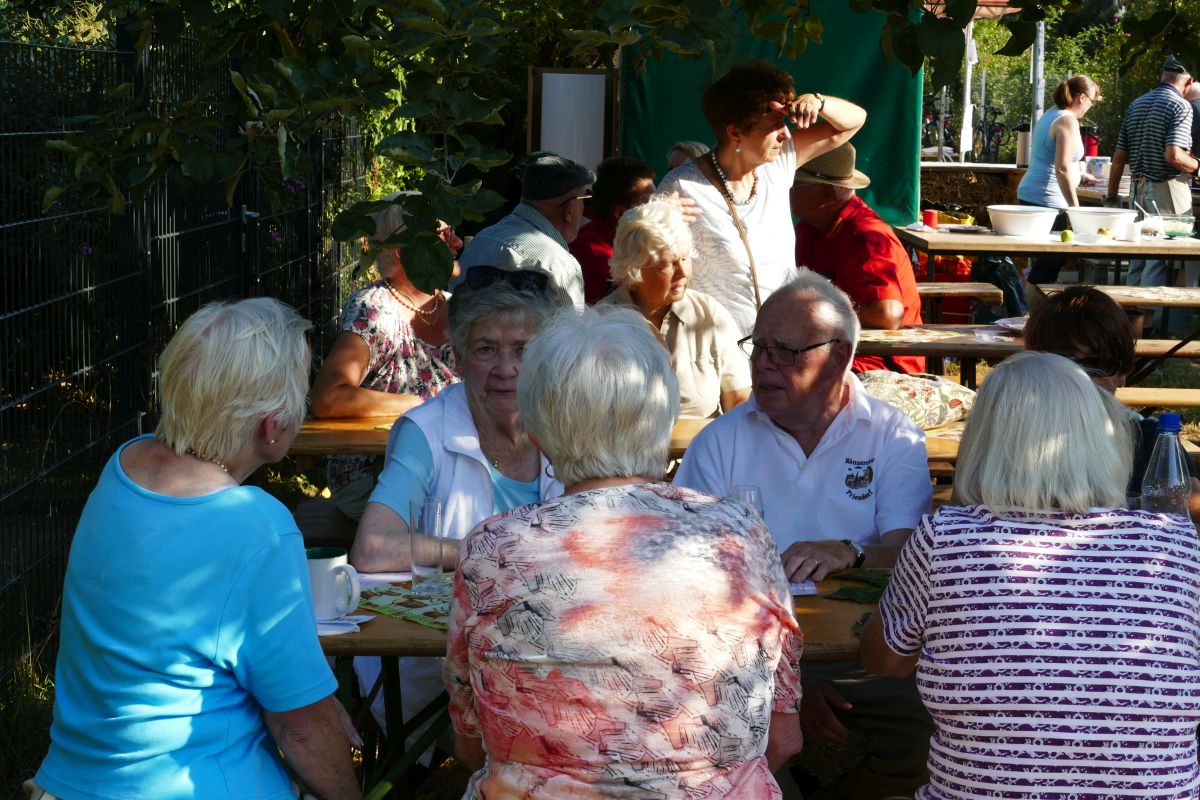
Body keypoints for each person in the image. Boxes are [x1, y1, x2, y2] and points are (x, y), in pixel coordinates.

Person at [444, 304, 804, 797]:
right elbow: (783, 735)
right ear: (665, 419)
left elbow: (470, 739)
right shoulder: (741, 534)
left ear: (540, 436)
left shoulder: (493, 548)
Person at [30, 299, 360, 800]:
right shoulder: (258, 525)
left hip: (69, 785)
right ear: (272, 425)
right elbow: (301, 728)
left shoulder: (124, 465)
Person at [862, 350, 1200, 798]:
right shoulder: (1174, 543)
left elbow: (882, 662)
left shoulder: (943, 538)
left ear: (981, 443)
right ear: (1103, 440)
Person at [674, 271, 933, 799]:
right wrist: (788, 682)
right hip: (746, 658)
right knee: (734, 746)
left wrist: (850, 551)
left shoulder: (891, 434)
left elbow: (910, 550)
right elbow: (687, 569)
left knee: (925, 737)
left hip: (864, 655)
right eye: (758, 347)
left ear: (839, 358)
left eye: (785, 351)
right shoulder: (720, 441)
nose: (763, 364)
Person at [350, 271, 565, 742]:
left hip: (546, 652)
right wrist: (485, 549)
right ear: (461, 358)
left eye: (522, 349)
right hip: (440, 671)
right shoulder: (425, 432)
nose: (507, 368)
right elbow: (372, 548)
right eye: (487, 349)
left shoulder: (562, 428)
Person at [658, 60, 866, 335]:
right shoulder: (682, 187)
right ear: (735, 132)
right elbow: (653, 269)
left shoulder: (778, 163)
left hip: (783, 343)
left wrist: (818, 102)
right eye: (775, 124)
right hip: (715, 348)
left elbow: (854, 121)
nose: (786, 133)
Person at [311, 197, 461, 519]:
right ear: (403, 250)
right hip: (378, 473)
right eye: (446, 236)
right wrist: (420, 406)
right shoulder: (376, 310)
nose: (458, 243)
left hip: (444, 468)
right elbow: (327, 397)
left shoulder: (460, 308)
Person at [1024, 284, 1200, 523]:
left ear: (1123, 372)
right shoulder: (1011, 439)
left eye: (1098, 364)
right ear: (1033, 368)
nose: (1079, 377)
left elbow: (1192, 518)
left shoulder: (1152, 443)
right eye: (1063, 362)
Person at [600, 196, 750, 417]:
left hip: (705, 439)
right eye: (668, 264)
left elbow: (739, 403)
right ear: (636, 268)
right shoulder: (602, 325)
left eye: (685, 259)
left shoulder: (709, 315)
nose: (683, 273)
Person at [791, 142, 925, 374]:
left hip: (882, 363)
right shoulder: (811, 227)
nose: (787, 190)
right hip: (840, 350)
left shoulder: (867, 235)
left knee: (786, 372)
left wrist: (813, 313)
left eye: (795, 184)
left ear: (827, 192)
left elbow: (887, 315)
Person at [1107, 55, 1198, 330]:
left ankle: (1126, 329)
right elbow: (1174, 155)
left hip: (1137, 188)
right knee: (1160, 260)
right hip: (1167, 188)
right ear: (1189, 82)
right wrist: (1197, 167)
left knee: (1138, 258)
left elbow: (1119, 157)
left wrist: (1111, 197)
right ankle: (1150, 330)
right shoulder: (1180, 106)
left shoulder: (1137, 103)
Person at [458, 154, 595, 306]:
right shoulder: (558, 262)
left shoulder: (480, 240)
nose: (584, 209)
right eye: (585, 199)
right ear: (570, 209)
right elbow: (573, 321)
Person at [1016, 75, 1103, 283]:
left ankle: (1030, 300)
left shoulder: (1051, 113)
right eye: (1092, 102)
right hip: (1048, 200)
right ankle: (1033, 303)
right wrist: (1075, 209)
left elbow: (1053, 158)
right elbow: (1062, 169)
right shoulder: (1067, 120)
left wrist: (1080, 175)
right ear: (1082, 98)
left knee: (1045, 263)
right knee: (1049, 264)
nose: (1090, 108)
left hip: (1034, 194)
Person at [569, 155, 656, 304]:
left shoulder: (633, 245)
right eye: (648, 203)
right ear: (620, 213)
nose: (657, 208)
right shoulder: (594, 255)